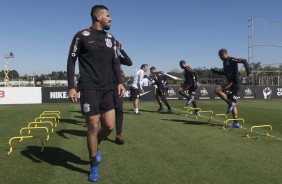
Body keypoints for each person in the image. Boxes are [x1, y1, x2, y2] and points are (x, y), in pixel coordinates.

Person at [67, 5, 125, 182]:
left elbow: (115, 62)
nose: (111, 18)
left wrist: (120, 82)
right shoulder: (81, 36)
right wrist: (71, 85)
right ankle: (93, 166)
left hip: (108, 88)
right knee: (93, 125)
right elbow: (71, 60)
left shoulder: (110, 38)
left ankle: (96, 146)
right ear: (98, 17)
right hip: (89, 87)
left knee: (109, 126)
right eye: (108, 15)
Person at [211, 48, 252, 128]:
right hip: (232, 83)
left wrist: (249, 72)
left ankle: (230, 104)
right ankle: (236, 123)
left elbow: (244, 60)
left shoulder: (231, 59)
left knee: (217, 90)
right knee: (233, 102)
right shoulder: (224, 62)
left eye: (220, 56)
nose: (220, 58)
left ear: (223, 54)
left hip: (234, 83)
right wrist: (215, 71)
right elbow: (225, 73)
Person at [113, 41, 132, 145]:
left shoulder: (118, 57)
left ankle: (118, 135)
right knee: (105, 110)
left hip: (118, 86)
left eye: (116, 46)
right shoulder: (104, 55)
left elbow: (129, 63)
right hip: (106, 86)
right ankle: (104, 130)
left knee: (119, 109)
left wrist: (122, 50)